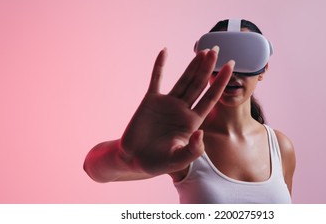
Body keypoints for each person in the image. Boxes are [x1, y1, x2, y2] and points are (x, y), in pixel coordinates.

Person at [83, 19, 296, 203]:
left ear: (263, 69)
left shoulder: (280, 146)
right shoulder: (185, 142)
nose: (231, 71)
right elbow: (94, 169)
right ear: (205, 65)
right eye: (221, 60)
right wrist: (123, 155)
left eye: (246, 58)